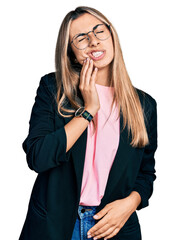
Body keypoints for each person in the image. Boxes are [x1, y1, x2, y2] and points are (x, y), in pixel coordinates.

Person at [18, 6, 157, 240]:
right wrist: (88, 110)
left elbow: (146, 173)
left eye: (99, 31)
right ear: (72, 53)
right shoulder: (53, 89)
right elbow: (38, 156)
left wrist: (131, 203)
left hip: (113, 228)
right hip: (56, 227)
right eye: (81, 38)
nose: (93, 41)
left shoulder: (144, 105)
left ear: (112, 35)